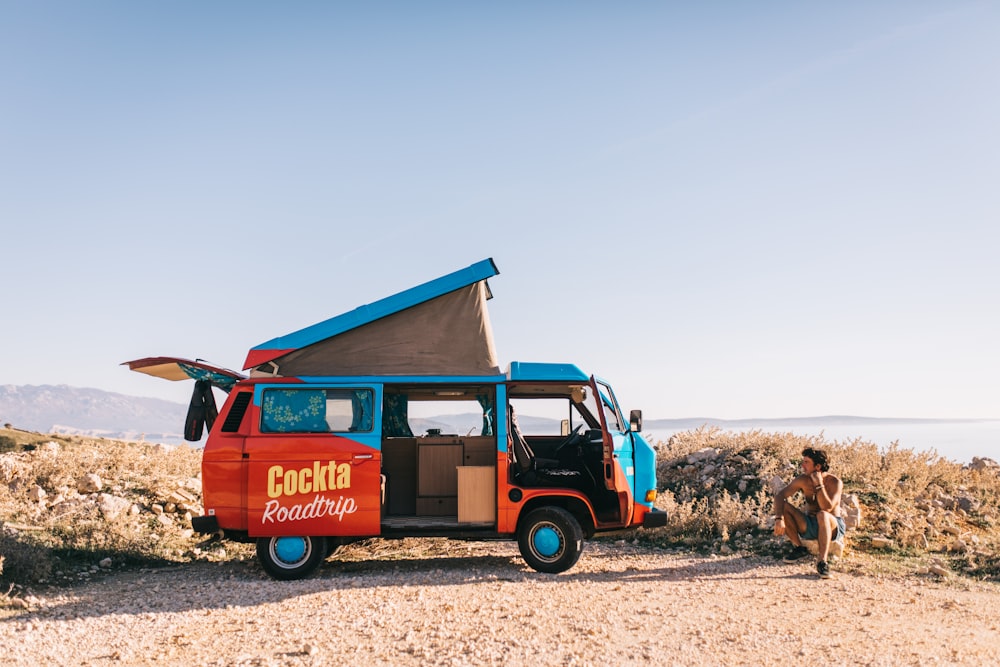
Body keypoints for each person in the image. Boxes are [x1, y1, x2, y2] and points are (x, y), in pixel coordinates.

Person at [773, 447, 846, 579]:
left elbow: (827, 507)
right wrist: (779, 518)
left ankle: (822, 562)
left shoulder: (835, 482)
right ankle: (799, 547)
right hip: (810, 524)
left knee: (822, 514)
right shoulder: (803, 480)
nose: (802, 465)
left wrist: (819, 485)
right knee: (783, 506)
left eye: (806, 462)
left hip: (832, 526)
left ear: (817, 466)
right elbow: (780, 495)